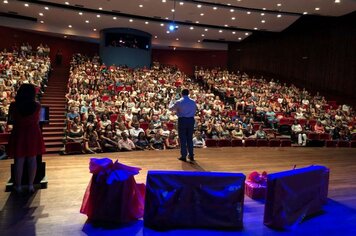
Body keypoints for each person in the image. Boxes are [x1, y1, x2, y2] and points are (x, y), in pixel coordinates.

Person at [7, 84, 45, 193]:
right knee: (32, 159)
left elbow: (12, 119)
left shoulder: (14, 105)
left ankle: (18, 186)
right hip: (32, 133)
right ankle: (30, 185)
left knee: (19, 160)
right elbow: (37, 121)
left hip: (19, 132)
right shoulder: (37, 105)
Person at [169, 89, 197, 162]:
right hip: (191, 120)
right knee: (189, 138)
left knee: (183, 138)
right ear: (188, 93)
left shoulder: (179, 101)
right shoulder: (193, 101)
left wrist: (172, 100)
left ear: (181, 94)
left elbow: (170, 108)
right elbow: (194, 111)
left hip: (182, 120)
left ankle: (184, 155)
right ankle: (191, 155)